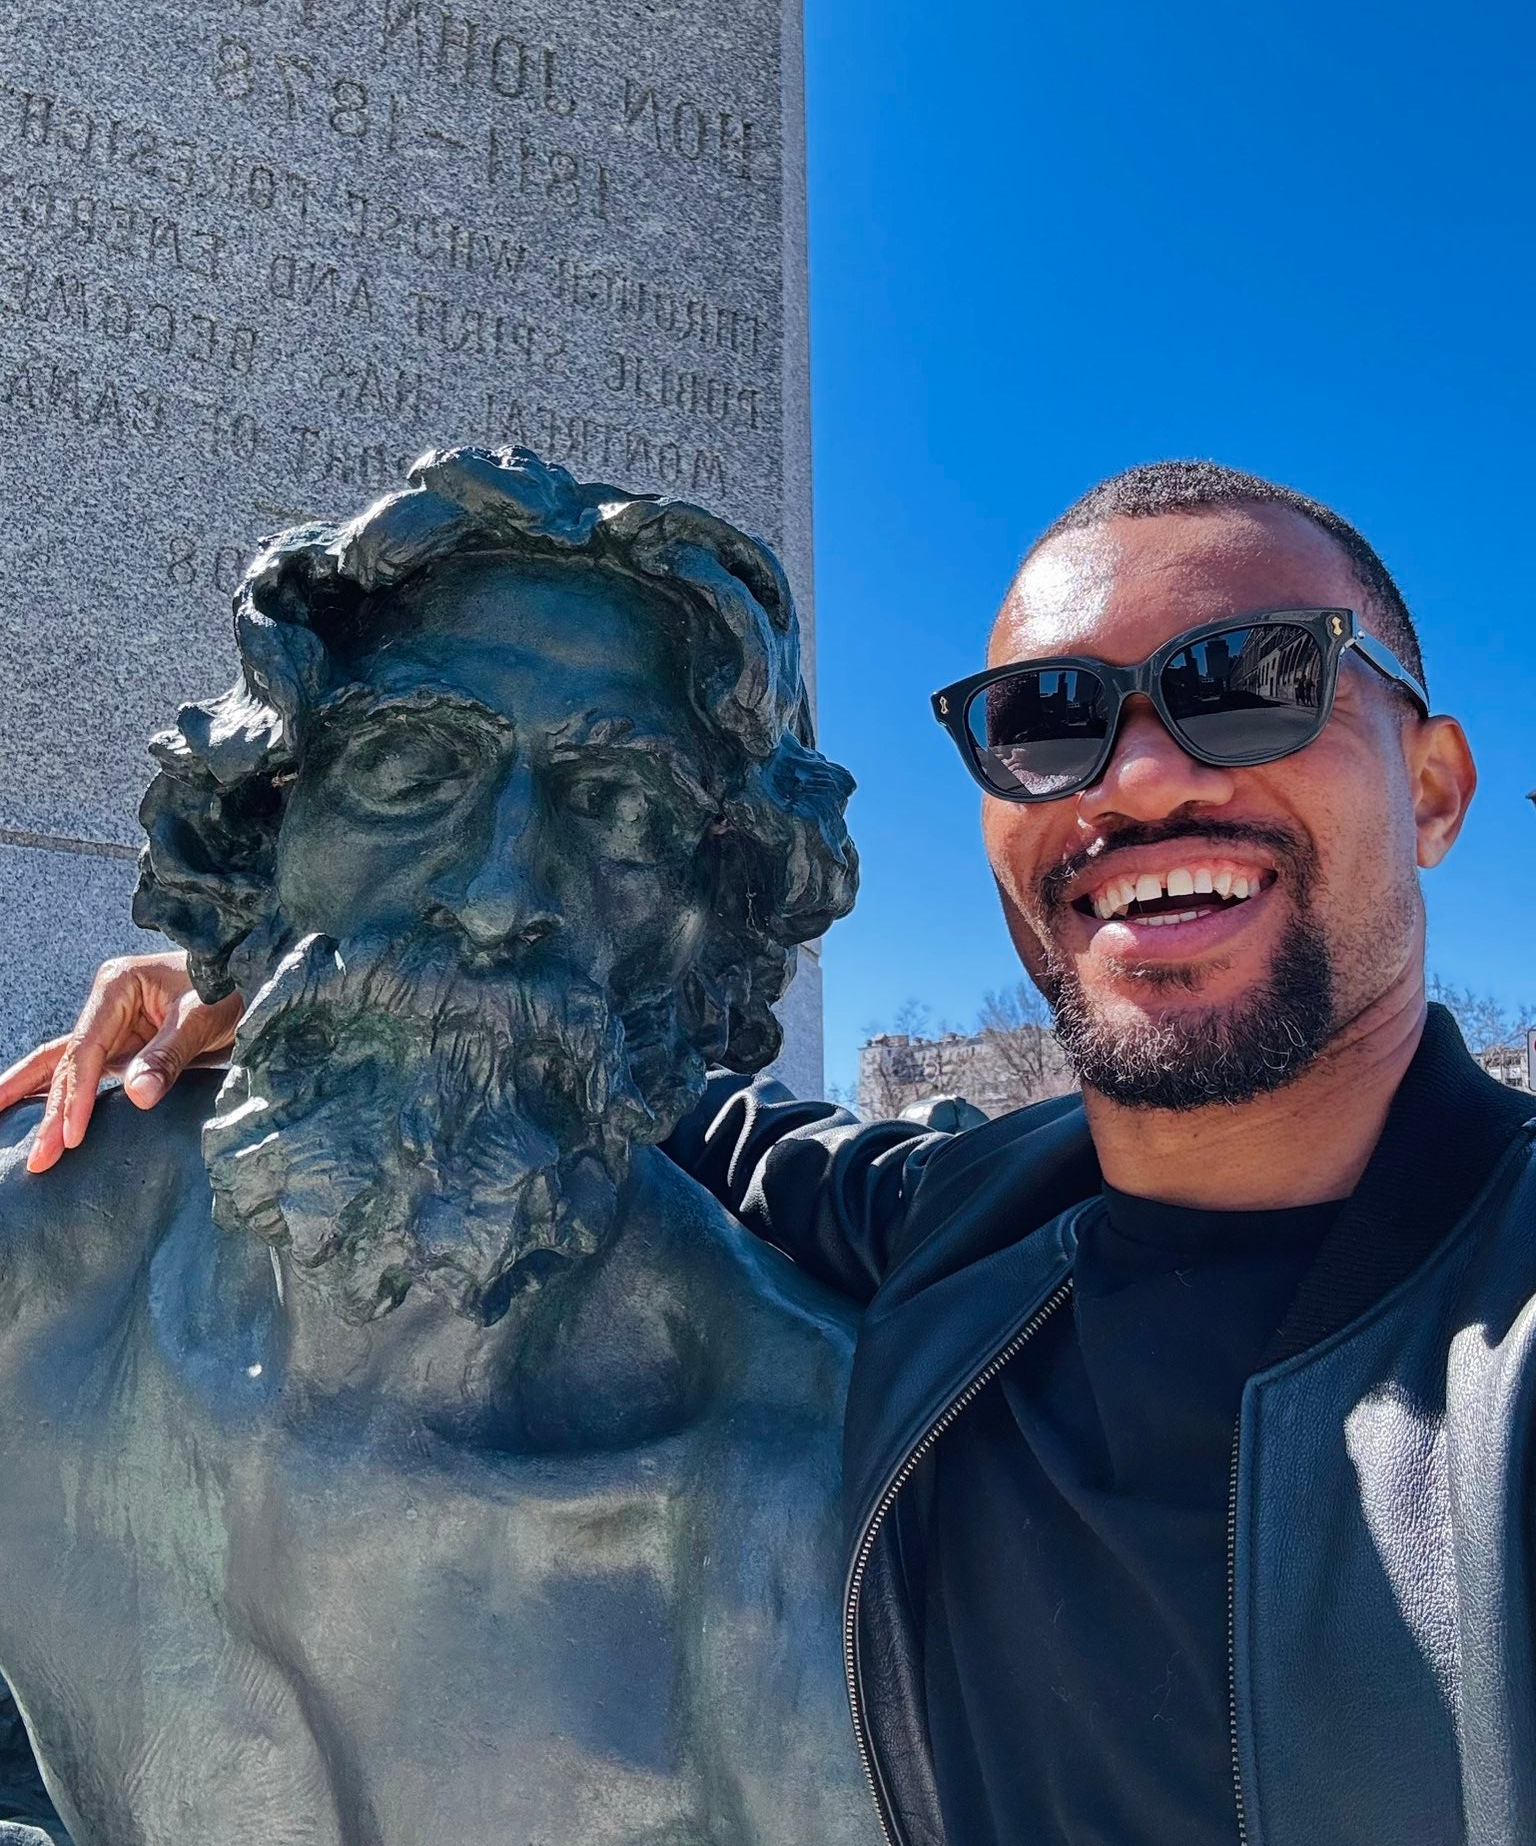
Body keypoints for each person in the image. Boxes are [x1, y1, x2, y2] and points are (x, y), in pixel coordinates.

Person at [6, 458, 1534, 1846]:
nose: (1137, 776)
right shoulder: (950, 1232)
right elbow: (585, 1069)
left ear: (1437, 788)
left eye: (1251, 683)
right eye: (1050, 722)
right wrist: (283, 973)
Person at [0, 447, 874, 1846]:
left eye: (619, 808)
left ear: (709, 923)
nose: (495, 894)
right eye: (411, 767)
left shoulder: (802, 1505)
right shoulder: (38, 1260)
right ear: (267, 828)